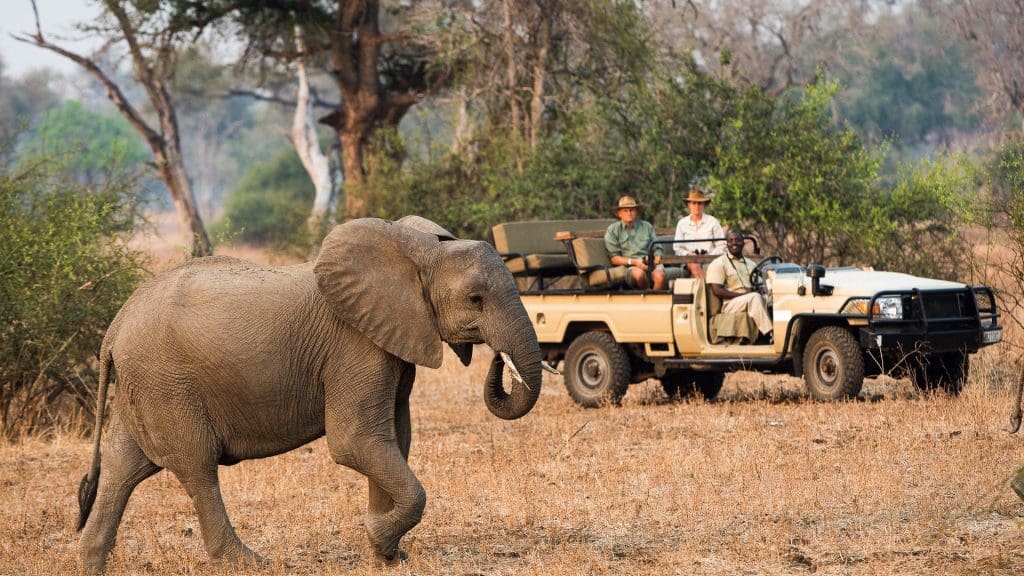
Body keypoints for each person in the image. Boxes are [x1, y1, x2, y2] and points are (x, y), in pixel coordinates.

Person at [705, 231, 773, 341]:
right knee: (754, 298)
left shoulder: (751, 263)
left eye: (738, 240)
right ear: (727, 244)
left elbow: (759, 282)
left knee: (771, 298)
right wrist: (741, 295)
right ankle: (770, 333)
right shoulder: (719, 263)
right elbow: (716, 290)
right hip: (730, 303)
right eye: (731, 241)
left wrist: (764, 291)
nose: (734, 243)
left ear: (743, 243)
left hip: (749, 297)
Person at [605, 195, 666, 290]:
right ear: (619, 213)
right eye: (625, 210)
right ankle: (648, 298)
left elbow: (657, 248)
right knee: (639, 275)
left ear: (636, 212)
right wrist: (635, 262)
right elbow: (614, 258)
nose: (629, 213)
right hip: (630, 265)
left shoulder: (647, 226)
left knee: (660, 277)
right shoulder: (613, 230)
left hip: (649, 261)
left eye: (632, 210)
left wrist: (653, 260)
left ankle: (652, 300)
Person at [673, 185, 725, 278]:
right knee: (695, 266)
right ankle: (705, 290)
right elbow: (677, 248)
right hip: (689, 261)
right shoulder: (682, 223)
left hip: (710, 259)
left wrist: (709, 255)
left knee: (713, 269)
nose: (697, 206)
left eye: (699, 203)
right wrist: (688, 254)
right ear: (689, 205)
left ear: (704, 205)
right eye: (694, 203)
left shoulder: (713, 222)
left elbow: (722, 245)